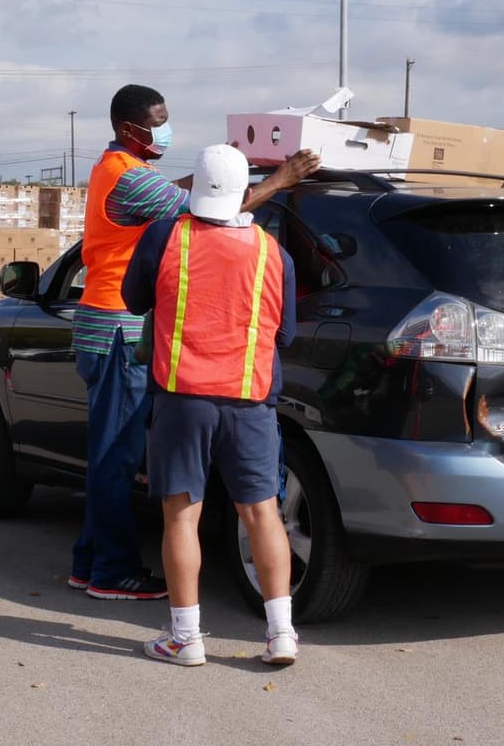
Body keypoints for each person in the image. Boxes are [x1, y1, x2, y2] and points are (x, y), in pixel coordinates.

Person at [68, 84, 319, 600]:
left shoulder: (117, 168)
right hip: (121, 329)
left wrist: (222, 167)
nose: (165, 128)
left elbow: (200, 192)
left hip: (104, 322)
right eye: (157, 122)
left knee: (108, 454)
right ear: (127, 128)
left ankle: (90, 563)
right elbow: (216, 209)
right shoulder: (129, 180)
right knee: (116, 456)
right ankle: (111, 572)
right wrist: (281, 179)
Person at [122, 144, 298, 666]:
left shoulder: (165, 235)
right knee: (262, 513)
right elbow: (283, 334)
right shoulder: (273, 253)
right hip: (250, 401)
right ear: (247, 195)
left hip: (182, 397)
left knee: (181, 516)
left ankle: (185, 638)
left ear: (192, 189)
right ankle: (282, 633)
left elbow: (134, 300)